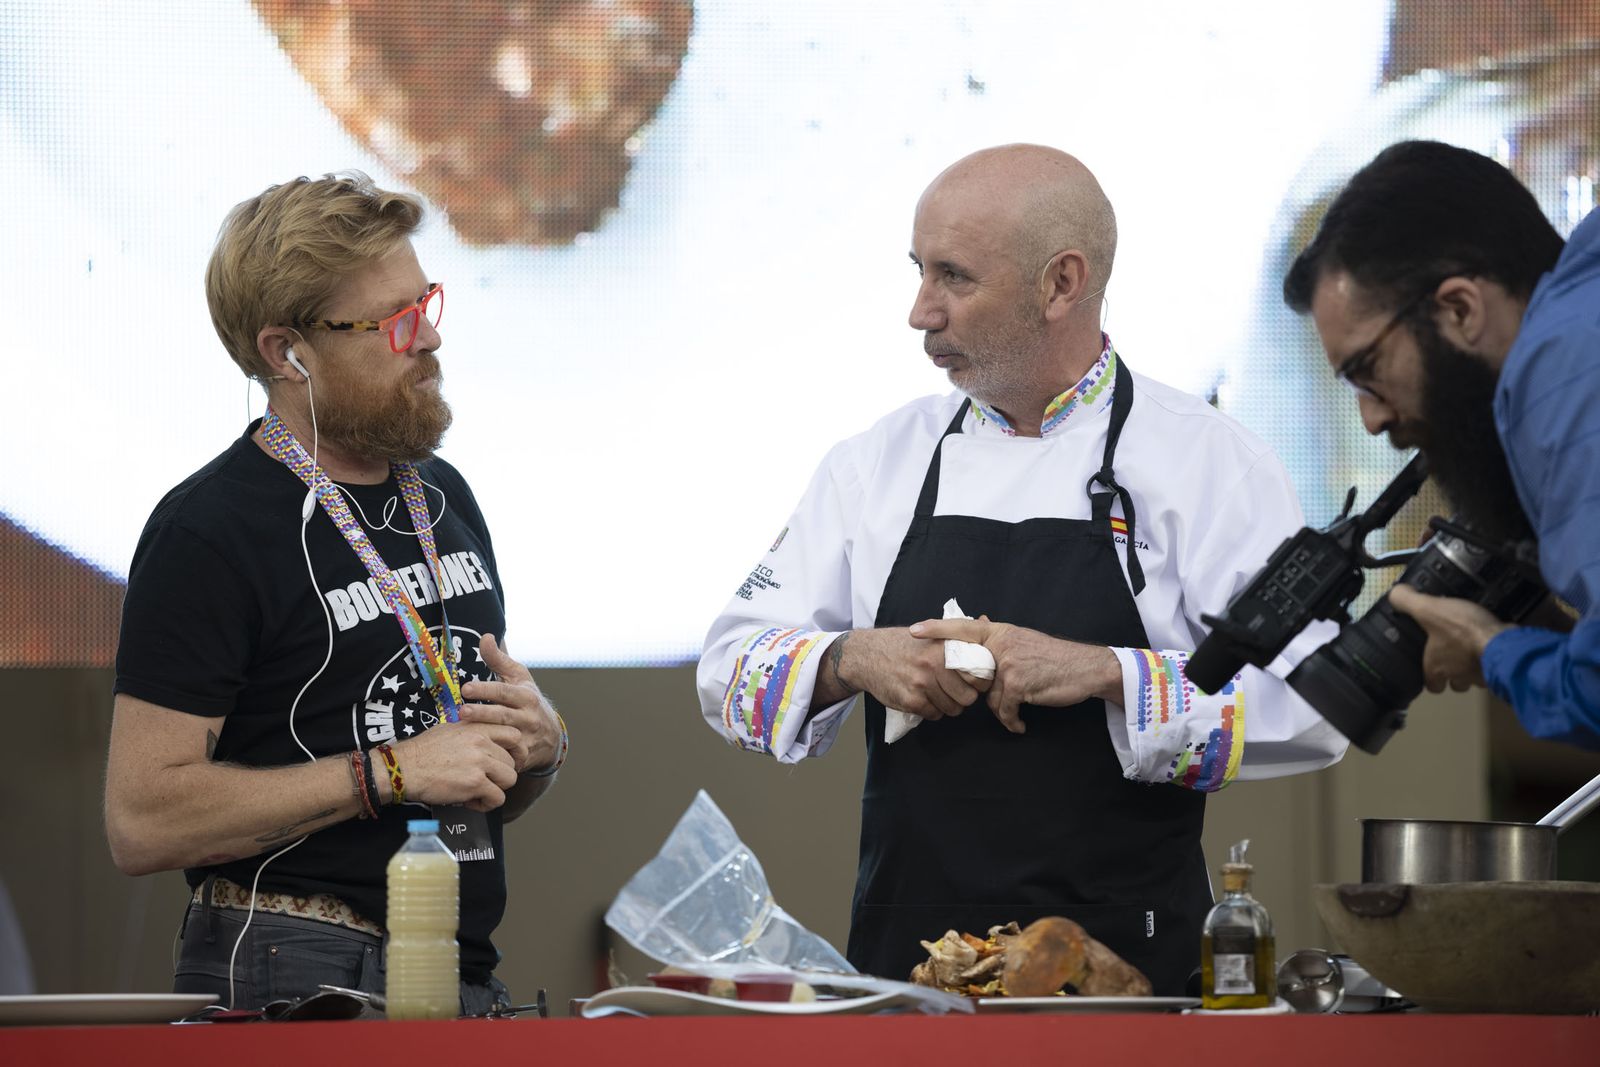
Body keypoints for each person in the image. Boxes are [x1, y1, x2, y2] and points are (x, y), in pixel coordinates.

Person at [697, 144, 1347, 994]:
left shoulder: (1208, 462)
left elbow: (1315, 702)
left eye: (953, 278)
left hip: (1126, 978)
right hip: (912, 972)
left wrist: (1103, 673)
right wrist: (854, 657)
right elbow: (725, 671)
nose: (919, 312)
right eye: (918, 272)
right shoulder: (876, 465)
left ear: (1061, 284)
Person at [104, 173, 568, 1012]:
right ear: (288, 353)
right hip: (296, 962)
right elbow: (141, 818)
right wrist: (391, 770)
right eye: (393, 321)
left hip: (456, 959)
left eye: (425, 301)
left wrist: (535, 748)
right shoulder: (211, 528)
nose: (427, 337)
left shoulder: (443, 497)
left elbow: (460, 780)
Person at [1284, 139, 1599, 749]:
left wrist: (1492, 651)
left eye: (1367, 370)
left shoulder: (1561, 374)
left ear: (1459, 309)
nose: (1372, 419)